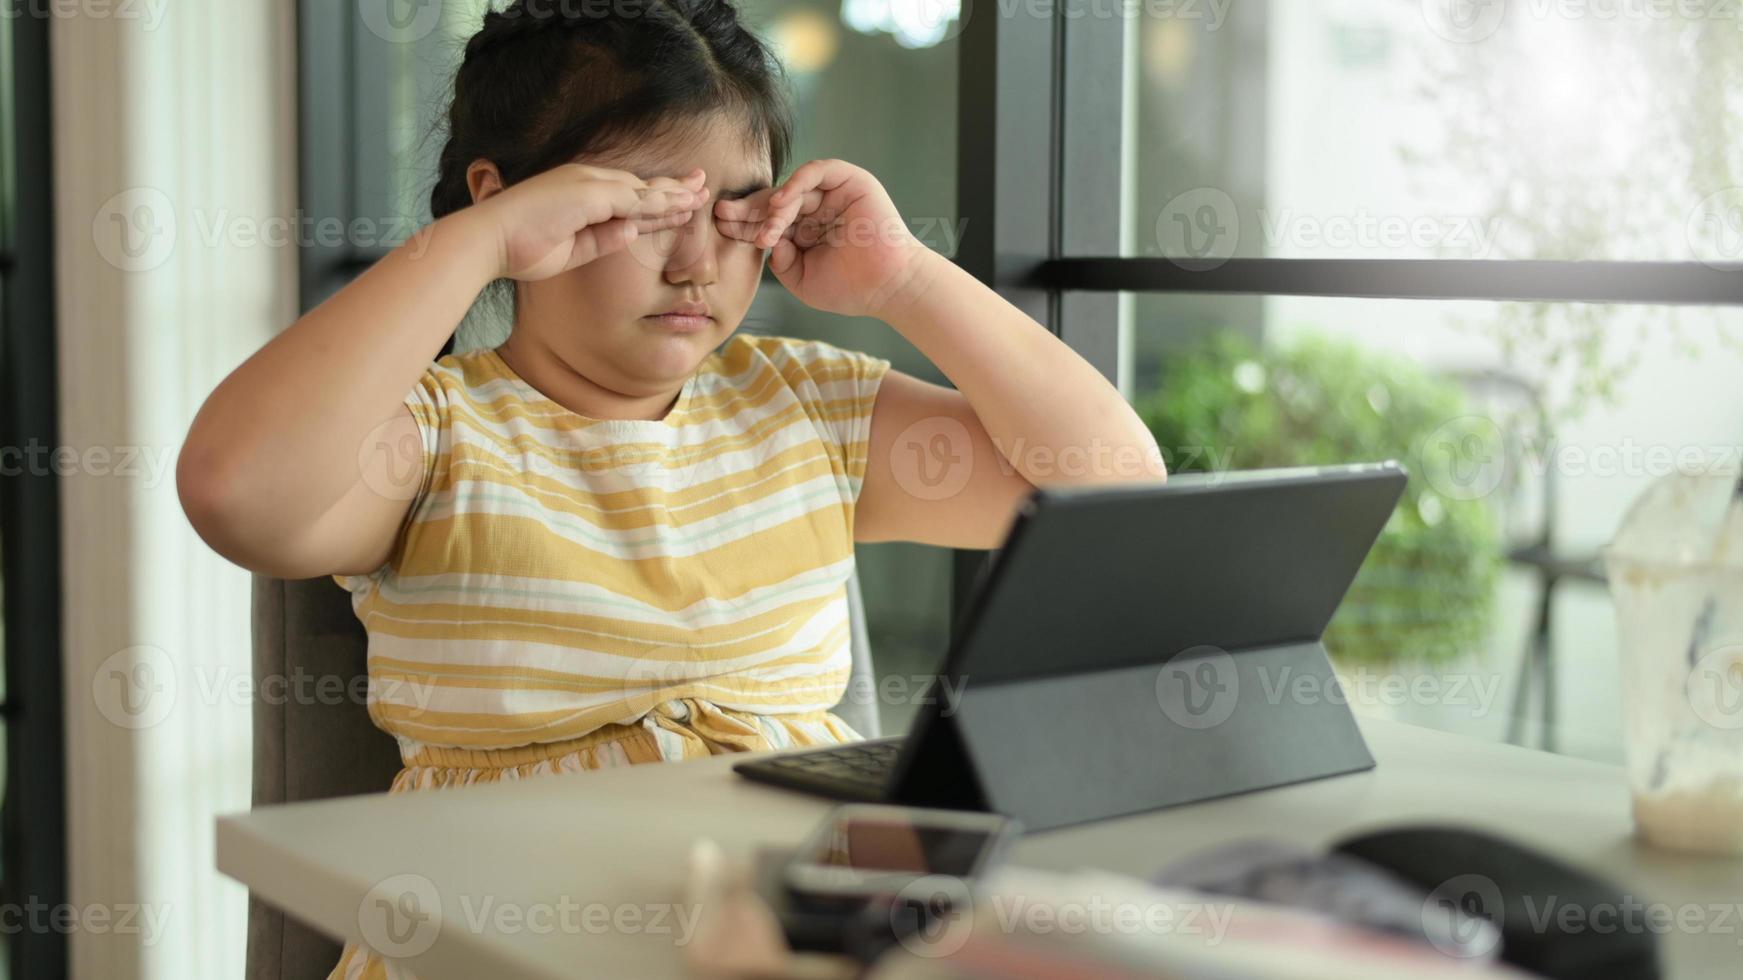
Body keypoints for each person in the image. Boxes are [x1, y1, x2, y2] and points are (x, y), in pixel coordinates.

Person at [176, 1, 1164, 975]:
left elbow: (1115, 491)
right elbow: (234, 487)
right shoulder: (439, 435)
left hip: (787, 926)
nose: (697, 263)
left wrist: (903, 276)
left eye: (736, 211)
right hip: (504, 930)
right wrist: (478, 243)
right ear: (508, 200)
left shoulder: (804, 404)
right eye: (638, 209)